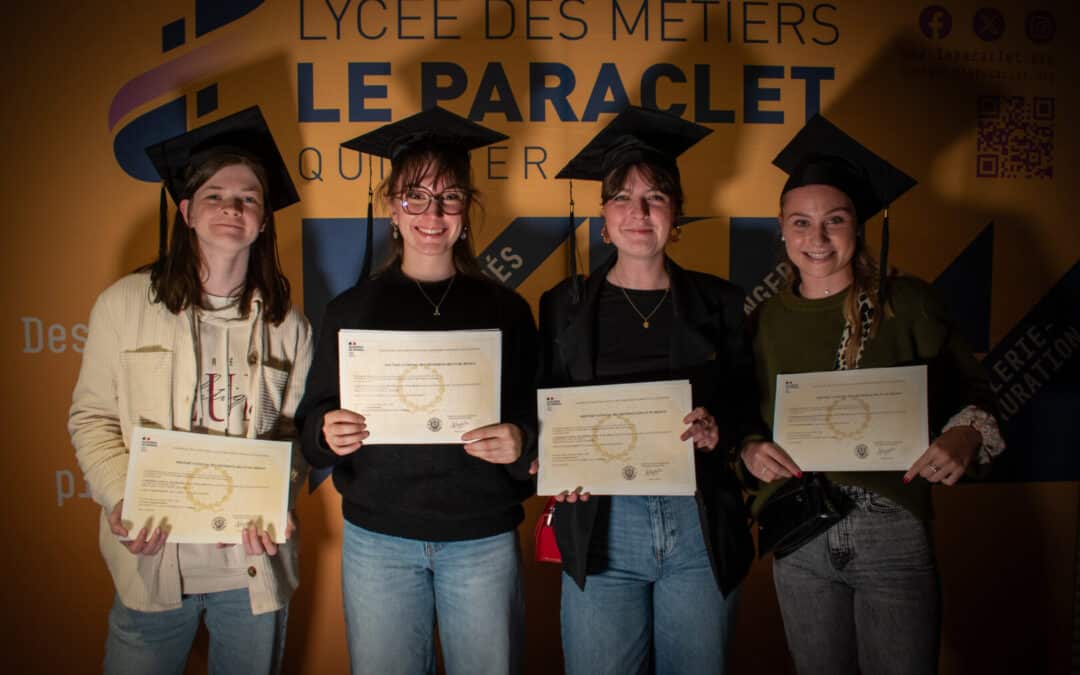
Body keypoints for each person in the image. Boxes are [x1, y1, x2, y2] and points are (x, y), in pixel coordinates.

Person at [739, 114, 1005, 674]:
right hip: (800, 529)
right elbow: (745, 416)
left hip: (891, 525)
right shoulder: (762, 320)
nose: (817, 239)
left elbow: (973, 389)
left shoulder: (907, 303)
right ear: (781, 229)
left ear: (858, 227)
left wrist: (964, 434)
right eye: (801, 222)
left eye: (834, 220)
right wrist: (749, 448)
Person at [68, 106, 312, 674]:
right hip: (152, 559)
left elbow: (294, 436)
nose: (232, 208)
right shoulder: (124, 305)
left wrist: (277, 499)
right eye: (215, 195)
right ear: (187, 211)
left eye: (248, 198)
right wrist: (121, 498)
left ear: (264, 219)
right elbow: (93, 417)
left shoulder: (289, 325)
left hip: (250, 569)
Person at [295, 107, 538, 675]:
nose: (433, 213)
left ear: (467, 211)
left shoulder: (506, 310)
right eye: (415, 196)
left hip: (480, 538)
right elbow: (310, 426)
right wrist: (326, 431)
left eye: (450, 197)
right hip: (379, 541)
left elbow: (536, 418)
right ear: (391, 207)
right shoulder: (351, 311)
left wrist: (522, 440)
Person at [538, 106, 759, 675]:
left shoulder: (721, 302)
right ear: (604, 218)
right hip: (602, 525)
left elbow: (748, 405)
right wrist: (546, 459)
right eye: (622, 198)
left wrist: (720, 429)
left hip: (698, 524)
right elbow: (542, 409)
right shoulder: (562, 307)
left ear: (675, 213)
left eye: (655, 197)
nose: (638, 212)